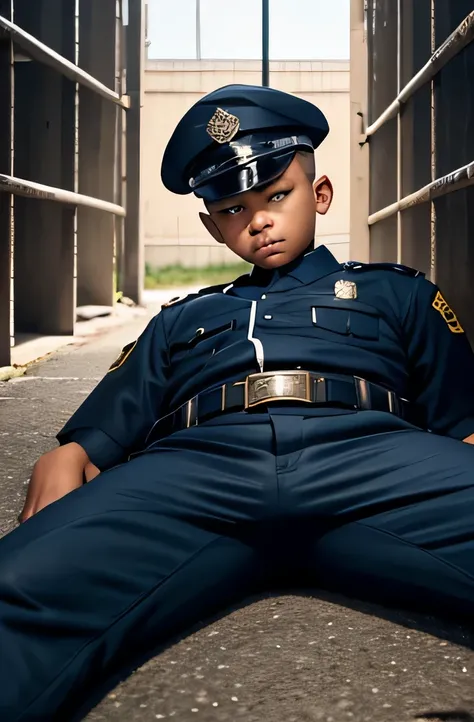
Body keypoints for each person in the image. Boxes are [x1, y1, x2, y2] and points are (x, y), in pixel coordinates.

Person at [1, 83, 474, 722]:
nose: (258, 219)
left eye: (278, 195)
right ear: (211, 224)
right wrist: (70, 452)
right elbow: (112, 418)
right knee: (20, 586)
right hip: (200, 469)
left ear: (321, 193)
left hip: (369, 456)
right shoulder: (182, 317)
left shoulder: (397, 293)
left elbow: (461, 418)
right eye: (232, 208)